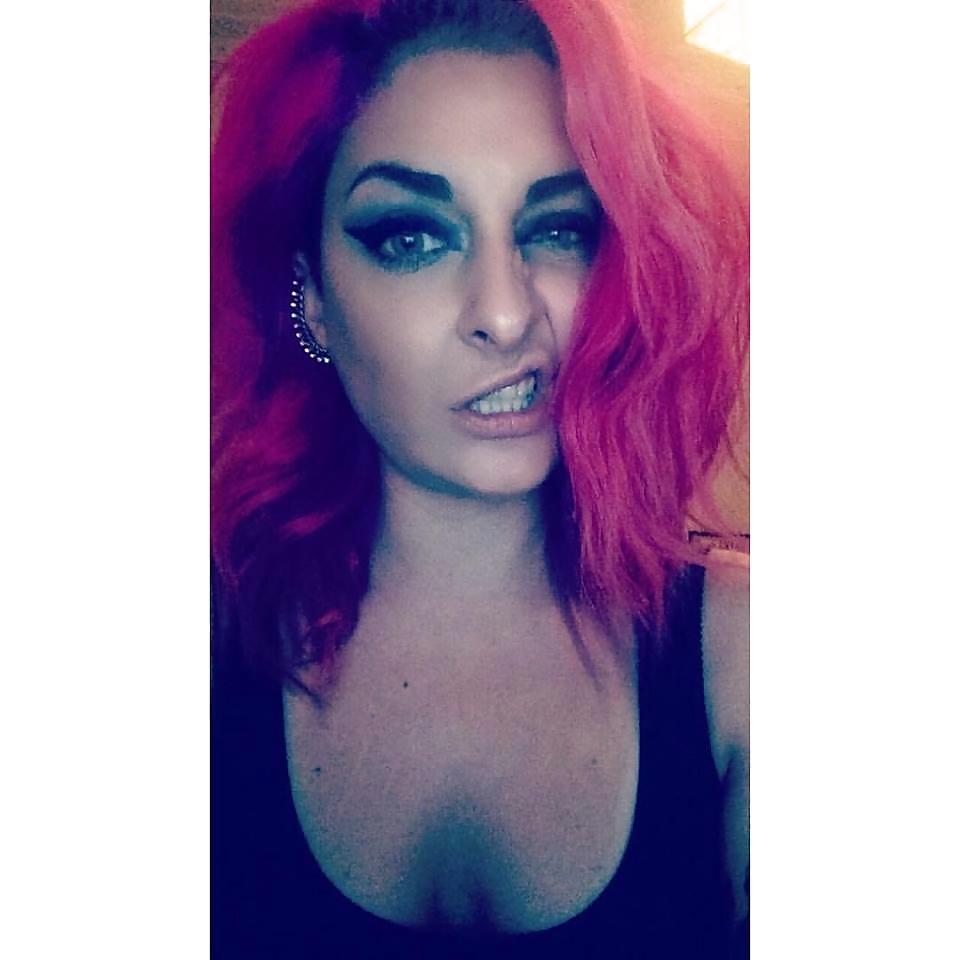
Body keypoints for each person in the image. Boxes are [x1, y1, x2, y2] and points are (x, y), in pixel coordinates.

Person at [211, 1, 749, 957]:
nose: (505, 314)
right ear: (314, 300)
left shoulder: (746, 655)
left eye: (558, 229)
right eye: (411, 237)